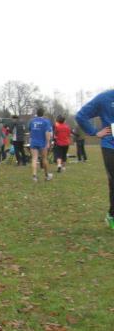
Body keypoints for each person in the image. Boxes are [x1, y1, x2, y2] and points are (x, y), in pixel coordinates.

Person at [75, 89, 114, 229]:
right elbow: (81, 115)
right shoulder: (105, 98)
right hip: (110, 145)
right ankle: (112, 215)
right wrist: (94, 132)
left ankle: (111, 213)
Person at [28, 107, 53, 182]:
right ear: (43, 114)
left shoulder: (32, 121)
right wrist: (48, 142)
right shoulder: (46, 121)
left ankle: (34, 176)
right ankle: (47, 175)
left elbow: (30, 131)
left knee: (34, 159)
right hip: (42, 142)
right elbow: (47, 133)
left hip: (33, 142)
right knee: (44, 158)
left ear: (37, 113)